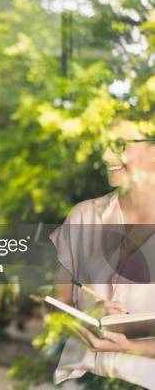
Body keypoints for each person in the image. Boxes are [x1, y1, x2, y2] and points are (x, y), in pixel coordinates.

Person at [52, 118, 155, 388]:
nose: (106, 155)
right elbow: (56, 308)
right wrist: (86, 318)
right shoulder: (83, 216)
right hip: (80, 380)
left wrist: (130, 345)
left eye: (119, 145)